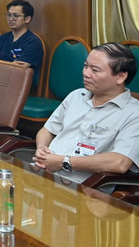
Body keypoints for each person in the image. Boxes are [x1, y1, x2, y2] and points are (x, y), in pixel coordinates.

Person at [33, 43, 139, 183]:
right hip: (42, 173)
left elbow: (120, 162)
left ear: (120, 77)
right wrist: (42, 150)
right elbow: (47, 130)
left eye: (94, 70)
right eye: (85, 66)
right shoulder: (76, 96)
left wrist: (63, 162)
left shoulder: (133, 113)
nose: (86, 73)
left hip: (83, 189)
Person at [0, 0, 44, 85]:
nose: (10, 19)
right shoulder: (0, 38)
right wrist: (11, 64)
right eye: (8, 15)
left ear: (27, 19)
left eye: (15, 16)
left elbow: (20, 68)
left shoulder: (33, 41)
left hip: (18, 84)